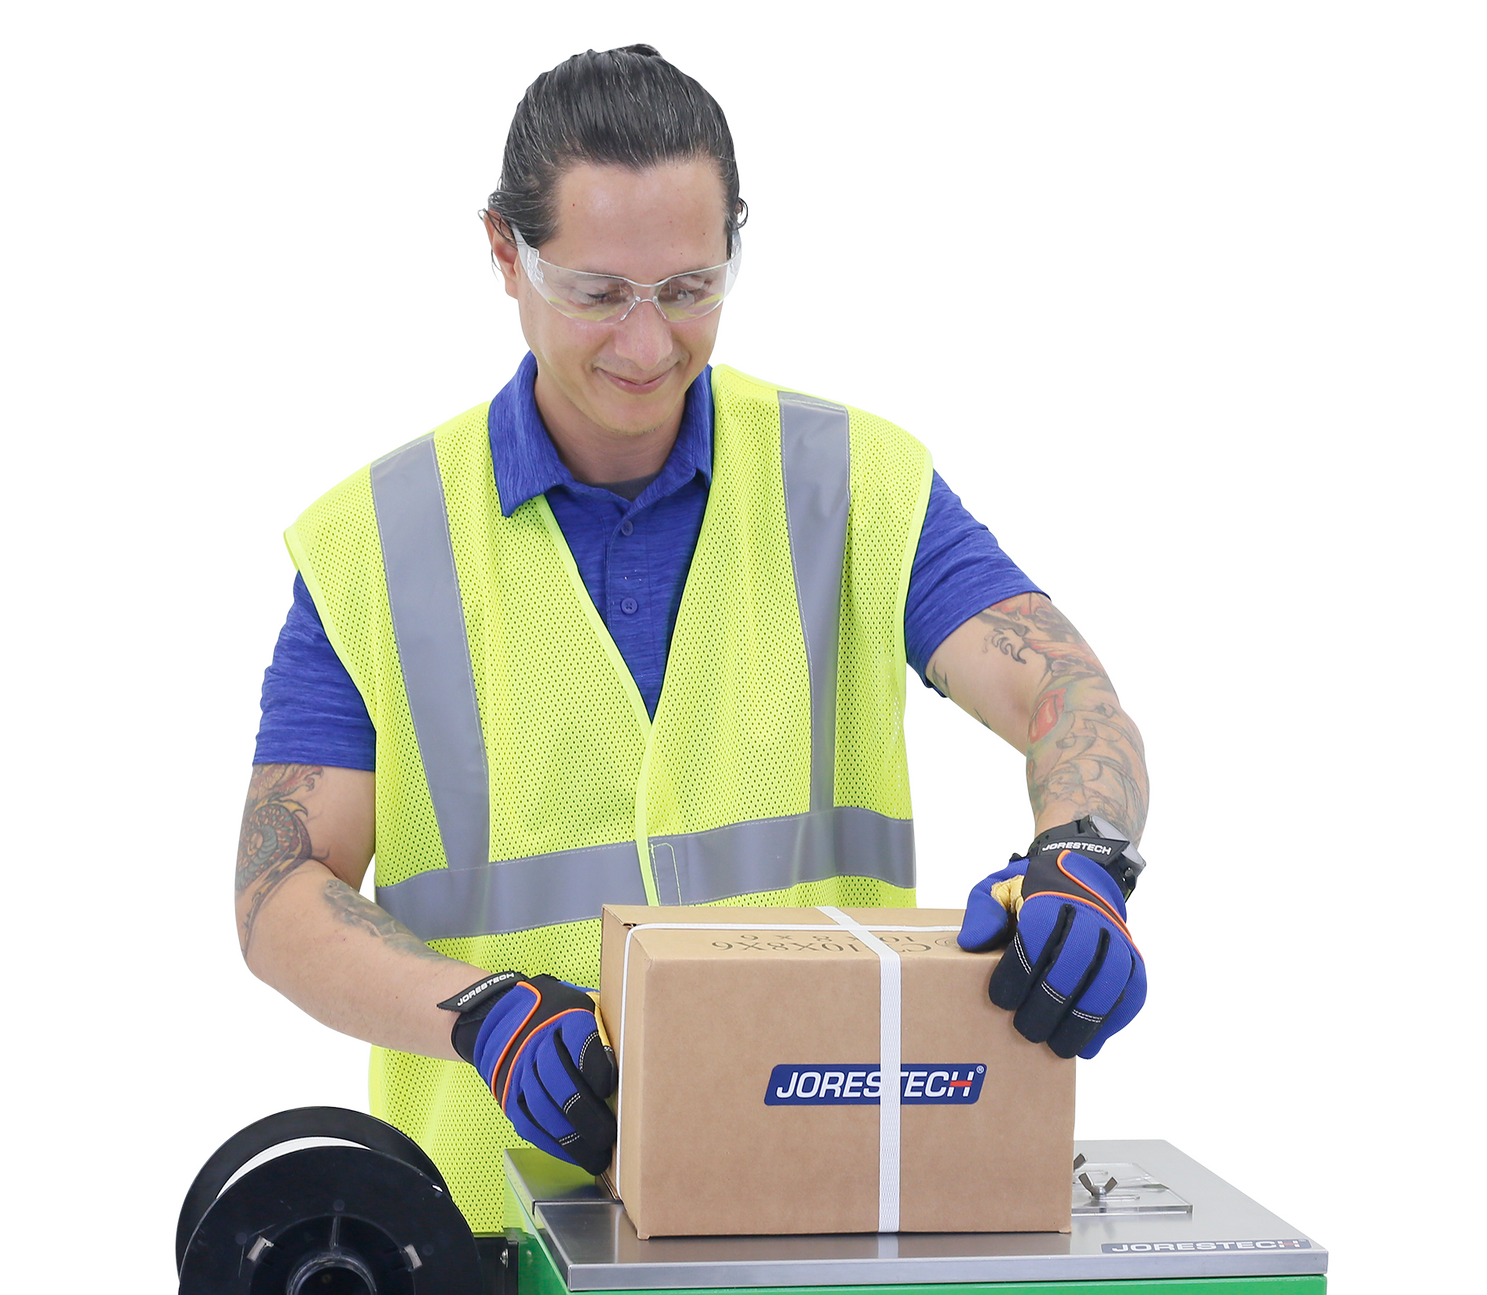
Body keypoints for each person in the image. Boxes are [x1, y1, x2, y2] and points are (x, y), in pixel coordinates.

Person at [237, 44, 1150, 1231]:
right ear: (506, 254)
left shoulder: (853, 484)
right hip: (494, 1237)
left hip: (826, 1217)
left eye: (687, 288)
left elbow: (1063, 692)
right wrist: (482, 1015)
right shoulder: (376, 542)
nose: (646, 344)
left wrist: (1086, 854)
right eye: (597, 292)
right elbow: (279, 890)